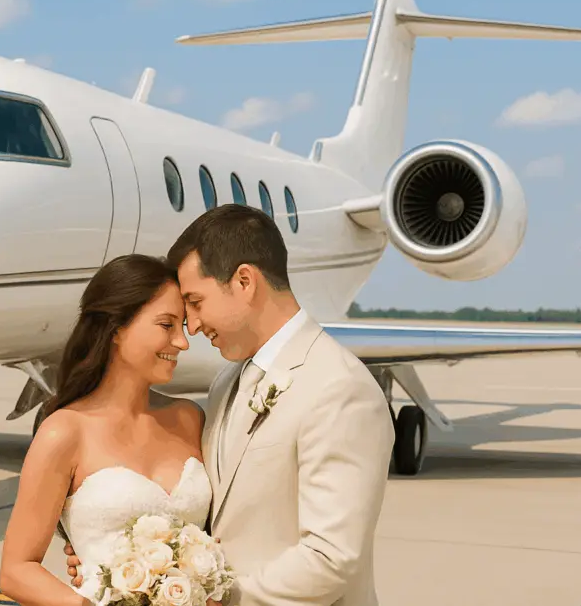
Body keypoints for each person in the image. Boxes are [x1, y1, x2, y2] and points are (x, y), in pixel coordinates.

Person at [63, 204, 396, 606]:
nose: (194, 325)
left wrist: (207, 599)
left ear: (244, 281)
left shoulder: (341, 388)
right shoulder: (225, 382)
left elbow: (331, 558)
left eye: (196, 302)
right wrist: (121, 567)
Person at [0, 253, 215, 606]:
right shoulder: (63, 433)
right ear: (116, 329)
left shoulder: (190, 419)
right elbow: (16, 570)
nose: (182, 342)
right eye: (166, 325)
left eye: (183, 327)